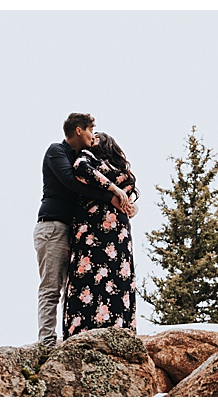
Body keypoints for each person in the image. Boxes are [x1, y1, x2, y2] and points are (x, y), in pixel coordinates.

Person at [33, 113, 131, 348]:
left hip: (72, 229)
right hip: (53, 226)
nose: (92, 135)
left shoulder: (84, 157)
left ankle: (70, 338)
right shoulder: (56, 151)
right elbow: (70, 181)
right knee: (51, 286)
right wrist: (111, 195)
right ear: (79, 130)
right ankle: (46, 344)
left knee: (73, 287)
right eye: (90, 130)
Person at [62, 131, 139, 339]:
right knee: (89, 276)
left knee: (118, 278)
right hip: (91, 230)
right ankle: (83, 331)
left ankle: (121, 331)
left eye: (96, 137)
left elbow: (131, 196)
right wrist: (115, 190)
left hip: (118, 232)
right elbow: (80, 168)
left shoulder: (121, 167)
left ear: (106, 143)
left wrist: (129, 204)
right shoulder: (87, 157)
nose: (91, 140)